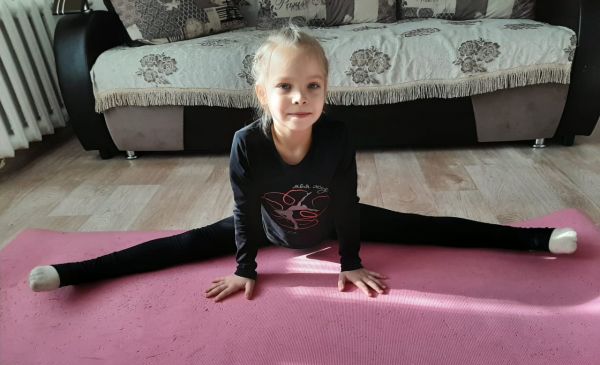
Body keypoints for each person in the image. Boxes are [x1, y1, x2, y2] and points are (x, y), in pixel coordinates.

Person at [29, 24, 578, 301]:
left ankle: (536, 239)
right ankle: (71, 274)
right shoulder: (247, 143)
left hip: (334, 223)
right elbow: (243, 210)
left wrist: (349, 262)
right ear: (263, 93)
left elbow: (347, 201)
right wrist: (246, 268)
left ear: (326, 90)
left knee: (428, 228)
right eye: (286, 86)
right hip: (265, 229)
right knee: (178, 247)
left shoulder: (336, 136)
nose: (300, 97)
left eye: (313, 86)